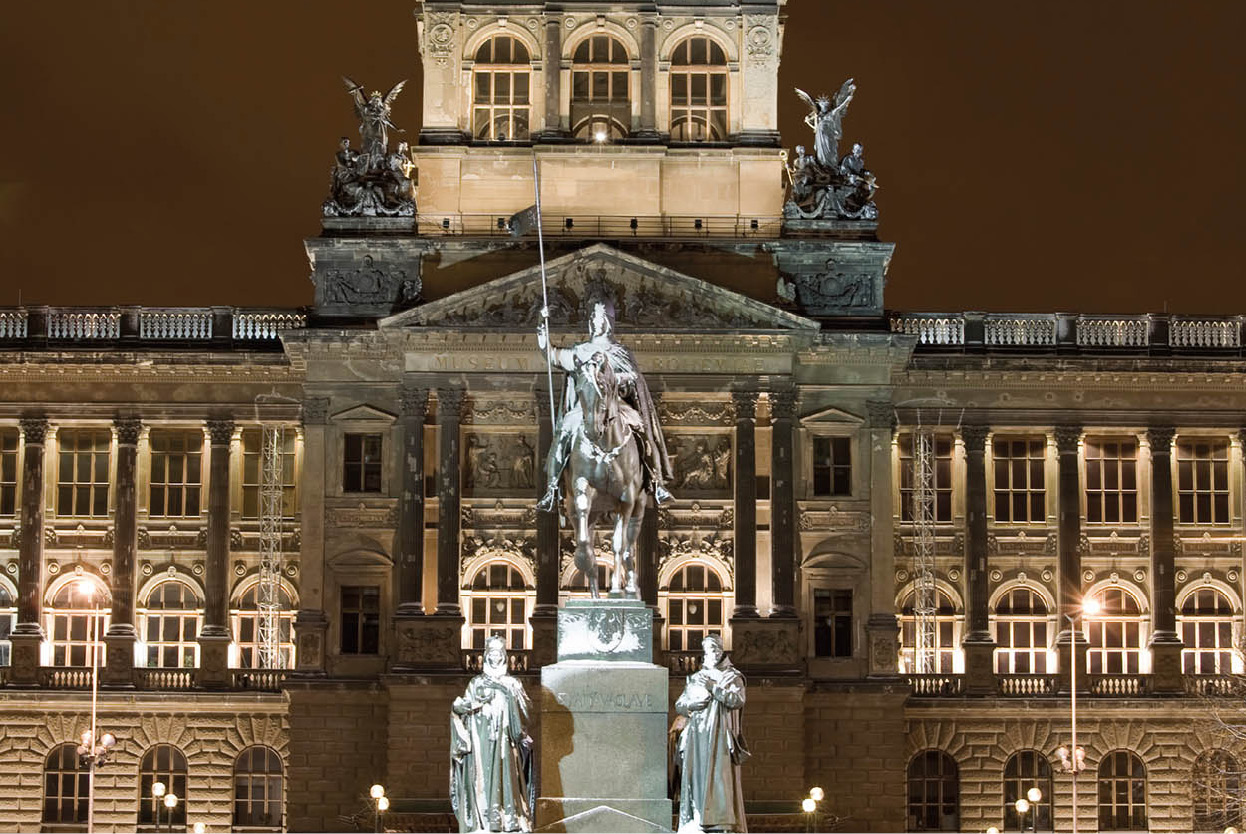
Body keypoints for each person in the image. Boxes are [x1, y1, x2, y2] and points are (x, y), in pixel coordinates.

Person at [535, 300, 673, 511]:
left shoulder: (620, 352)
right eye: (591, 316)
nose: (593, 320)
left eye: (597, 316)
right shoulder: (580, 351)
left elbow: (633, 377)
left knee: (643, 429)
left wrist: (614, 380)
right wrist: (541, 326)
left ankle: (656, 482)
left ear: (607, 321)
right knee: (562, 433)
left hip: (616, 407)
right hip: (585, 409)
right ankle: (552, 489)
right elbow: (551, 354)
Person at [450, 636, 534, 833]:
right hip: (481, 745)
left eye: (498, 654)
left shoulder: (512, 683)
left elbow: (526, 714)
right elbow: (462, 709)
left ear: (504, 657)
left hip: (505, 744)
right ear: (486, 656)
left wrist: (507, 694)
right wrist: (463, 707)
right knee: (482, 783)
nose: (495, 658)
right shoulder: (476, 683)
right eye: (492, 654)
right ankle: (483, 821)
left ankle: (507, 820)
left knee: (506, 780)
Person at [674, 635, 749, 833]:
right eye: (707, 650)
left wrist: (713, 688)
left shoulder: (733, 676)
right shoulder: (696, 677)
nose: (711, 653)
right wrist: (691, 705)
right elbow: (680, 705)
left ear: (721, 651)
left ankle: (720, 822)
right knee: (696, 778)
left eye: (714, 649)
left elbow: (737, 700)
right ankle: (697, 818)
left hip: (718, 737)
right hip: (697, 737)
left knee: (720, 779)